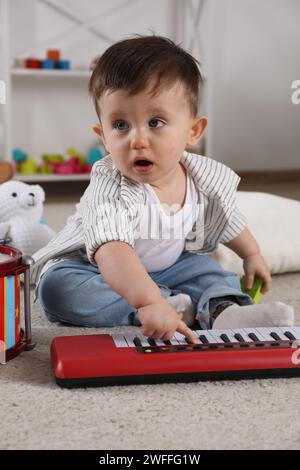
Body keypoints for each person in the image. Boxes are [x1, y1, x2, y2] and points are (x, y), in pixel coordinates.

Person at [32, 35, 294, 344]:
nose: (137, 140)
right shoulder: (111, 185)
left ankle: (225, 310)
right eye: (120, 125)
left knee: (210, 271)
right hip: (97, 270)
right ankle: (167, 306)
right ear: (103, 136)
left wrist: (252, 253)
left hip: (171, 267)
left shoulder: (202, 178)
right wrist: (148, 301)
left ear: (192, 131)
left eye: (155, 122)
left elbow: (225, 217)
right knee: (59, 291)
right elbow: (113, 251)